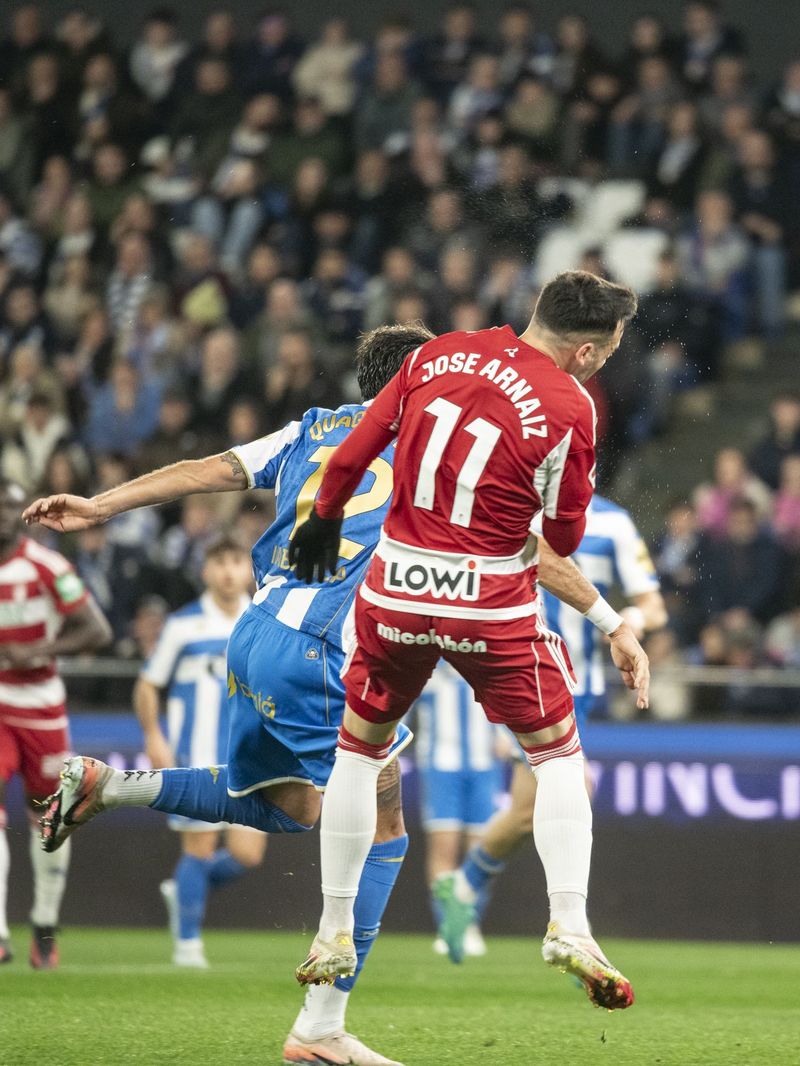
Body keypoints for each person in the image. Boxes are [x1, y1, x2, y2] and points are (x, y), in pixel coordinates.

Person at [22, 324, 634, 1062]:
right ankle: (321, 1027)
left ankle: (108, 787)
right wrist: (606, 617)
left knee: (293, 809)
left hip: (252, 635)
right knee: (383, 826)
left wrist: (99, 506)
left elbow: (206, 468)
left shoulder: (312, 429)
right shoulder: (432, 443)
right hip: (320, 649)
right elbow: (529, 550)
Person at [289, 270, 649, 1010]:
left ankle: (331, 929)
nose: (606, 360)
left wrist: (325, 515)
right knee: (557, 757)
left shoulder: (437, 354)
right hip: (488, 600)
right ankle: (571, 924)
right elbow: (565, 534)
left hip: (395, 589)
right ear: (583, 351)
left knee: (359, 749)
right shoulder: (569, 404)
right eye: (608, 350)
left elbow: (357, 447)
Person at [432, 493, 667, 964]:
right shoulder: (513, 508)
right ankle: (573, 926)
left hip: (584, 687)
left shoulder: (614, 524)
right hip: (526, 672)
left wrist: (622, 624)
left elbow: (654, 606)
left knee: (524, 812)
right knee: (575, 784)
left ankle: (463, 884)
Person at [0, 479, 113, 970]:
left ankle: (43, 921)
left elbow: (96, 629)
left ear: (23, 514)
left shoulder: (48, 566)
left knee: (50, 816)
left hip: (41, 705)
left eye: (9, 504)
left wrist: (36, 651)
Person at [135, 537, 258, 969]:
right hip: (196, 756)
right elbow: (149, 683)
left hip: (252, 757)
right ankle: (188, 944)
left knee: (248, 854)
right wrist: (154, 736)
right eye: (219, 562)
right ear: (206, 570)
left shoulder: (263, 620)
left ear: (249, 567)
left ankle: (187, 888)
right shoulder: (183, 625)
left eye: (236, 561)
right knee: (199, 846)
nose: (228, 571)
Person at [411, 661, 508, 959]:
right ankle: (447, 924)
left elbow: (510, 704)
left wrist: (508, 735)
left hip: (485, 769)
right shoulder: (426, 667)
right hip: (441, 768)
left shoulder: (487, 663)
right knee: (444, 848)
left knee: (482, 848)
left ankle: (469, 922)